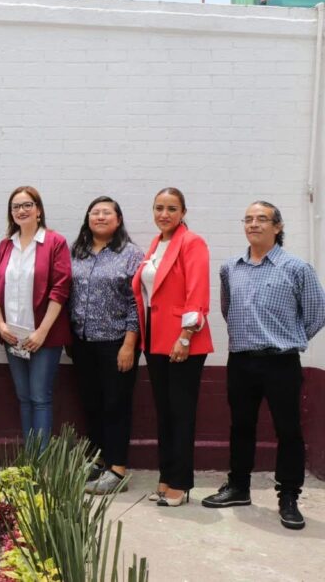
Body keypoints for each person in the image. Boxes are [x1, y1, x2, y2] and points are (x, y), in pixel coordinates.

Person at [201, 201, 325, 530]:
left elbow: (316, 312)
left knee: (288, 430)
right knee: (241, 426)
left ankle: (289, 496)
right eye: (248, 219)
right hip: (241, 360)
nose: (253, 224)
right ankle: (239, 487)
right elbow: (228, 308)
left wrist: (288, 338)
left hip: (281, 362)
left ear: (278, 227)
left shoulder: (296, 268)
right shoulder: (231, 268)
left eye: (262, 219)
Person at [131, 187, 213, 507]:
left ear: (183, 212)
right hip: (155, 339)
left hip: (183, 340)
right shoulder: (157, 243)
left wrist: (185, 336)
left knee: (181, 413)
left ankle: (180, 483)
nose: (164, 214)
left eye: (171, 209)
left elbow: (197, 292)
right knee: (164, 413)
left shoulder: (192, 242)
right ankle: (166, 478)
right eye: (159, 208)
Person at [68, 196, 144, 494]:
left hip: (117, 343)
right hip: (83, 343)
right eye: (95, 212)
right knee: (92, 404)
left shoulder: (131, 254)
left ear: (118, 219)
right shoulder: (77, 252)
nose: (100, 217)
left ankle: (117, 469)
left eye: (106, 213)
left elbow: (136, 303)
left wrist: (129, 343)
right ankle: (98, 463)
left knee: (116, 405)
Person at [0, 186, 72, 450]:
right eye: (16, 206)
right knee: (24, 397)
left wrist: (42, 332)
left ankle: (41, 461)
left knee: (39, 398)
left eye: (27, 205)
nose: (22, 210)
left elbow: (60, 289)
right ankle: (29, 458)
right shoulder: (6, 245)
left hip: (43, 337)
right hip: (12, 335)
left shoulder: (54, 242)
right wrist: (0, 325)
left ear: (38, 210)